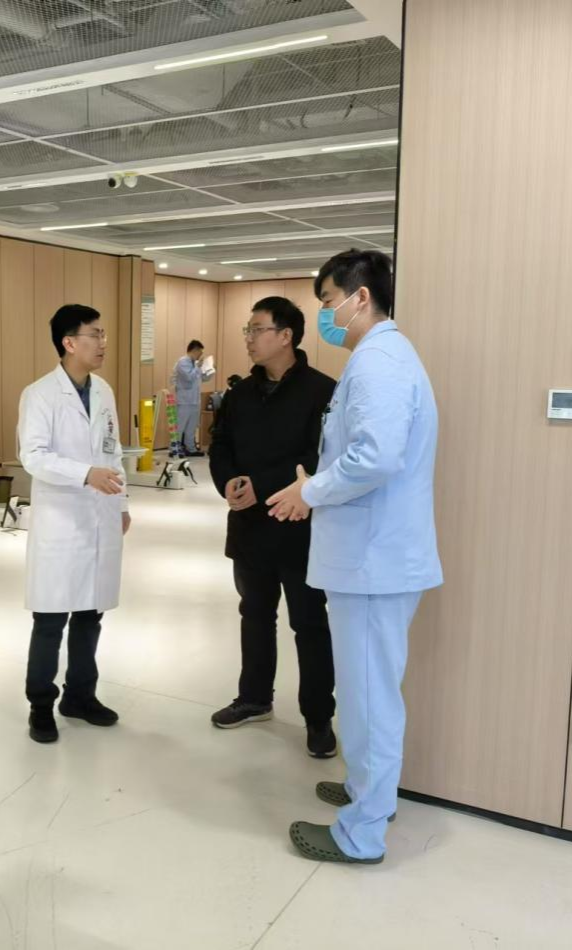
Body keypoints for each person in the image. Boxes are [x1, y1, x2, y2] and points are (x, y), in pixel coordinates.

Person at [266, 249, 442, 866]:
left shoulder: (379, 363)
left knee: (369, 698)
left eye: (327, 302)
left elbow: (375, 457)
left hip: (374, 562)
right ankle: (369, 791)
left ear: (359, 297)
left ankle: (362, 833)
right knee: (368, 691)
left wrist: (309, 491)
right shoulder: (380, 357)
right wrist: (316, 485)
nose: (324, 315)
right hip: (373, 556)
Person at [208, 297, 337, 758]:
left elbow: (320, 456)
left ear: (286, 336)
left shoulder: (324, 392)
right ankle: (254, 698)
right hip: (248, 527)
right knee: (255, 614)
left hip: (300, 528)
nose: (248, 337)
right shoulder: (240, 394)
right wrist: (229, 482)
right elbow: (220, 445)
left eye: (257, 329)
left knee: (309, 623)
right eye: (247, 330)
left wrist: (259, 485)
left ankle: (318, 717)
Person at [18, 304, 130, 744]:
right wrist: (85, 474)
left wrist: (122, 503)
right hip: (61, 522)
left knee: (90, 614)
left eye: (103, 335)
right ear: (69, 342)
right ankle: (40, 705)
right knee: (50, 620)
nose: (103, 343)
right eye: (94, 335)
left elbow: (113, 450)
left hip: (100, 514)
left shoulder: (103, 390)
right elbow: (33, 456)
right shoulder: (40, 394)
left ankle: (80, 696)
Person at [170, 339, 215, 456]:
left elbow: (201, 378)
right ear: (195, 350)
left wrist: (210, 370)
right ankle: (175, 450)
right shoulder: (182, 362)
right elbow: (189, 377)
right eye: (200, 352)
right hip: (184, 400)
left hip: (195, 400)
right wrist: (198, 367)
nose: (201, 355)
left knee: (192, 427)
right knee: (180, 427)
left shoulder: (194, 363)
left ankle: (191, 449)